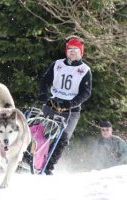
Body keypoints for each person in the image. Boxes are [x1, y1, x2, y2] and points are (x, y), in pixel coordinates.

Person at [37, 35, 92, 175]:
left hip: (71, 110)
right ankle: (35, 159)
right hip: (53, 104)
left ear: (81, 51)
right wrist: (43, 95)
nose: (72, 52)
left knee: (62, 139)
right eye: (69, 49)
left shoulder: (85, 70)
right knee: (42, 133)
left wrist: (71, 103)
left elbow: (85, 93)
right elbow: (44, 81)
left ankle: (48, 167)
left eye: (75, 50)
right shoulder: (57, 64)